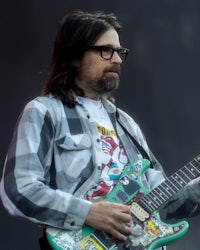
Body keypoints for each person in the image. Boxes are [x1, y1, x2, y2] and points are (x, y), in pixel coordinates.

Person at [1, 10, 200, 250]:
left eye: (120, 52)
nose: (116, 59)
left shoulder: (127, 125)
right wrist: (87, 213)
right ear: (74, 56)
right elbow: (19, 188)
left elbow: (165, 204)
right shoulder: (45, 111)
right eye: (106, 50)